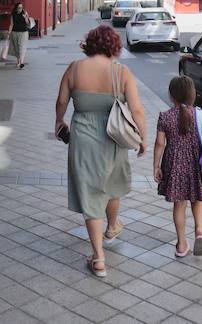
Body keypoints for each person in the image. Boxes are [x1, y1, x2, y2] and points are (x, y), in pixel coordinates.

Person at [54, 24, 148, 278]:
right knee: (111, 184)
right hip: (113, 138)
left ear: (90, 44)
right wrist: (143, 138)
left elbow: (61, 101)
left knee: (90, 193)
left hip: (83, 139)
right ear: (113, 46)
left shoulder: (74, 68)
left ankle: (98, 258)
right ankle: (112, 226)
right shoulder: (122, 73)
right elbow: (137, 110)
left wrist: (59, 121)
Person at [153, 75, 202, 257]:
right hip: (195, 164)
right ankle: (199, 230)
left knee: (179, 204)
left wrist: (156, 166)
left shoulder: (165, 116)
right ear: (192, 94)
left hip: (173, 165)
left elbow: (159, 143)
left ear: (172, 96)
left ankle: (181, 245)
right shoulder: (199, 114)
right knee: (197, 198)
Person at [9, 2, 34, 69]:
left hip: (24, 33)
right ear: (16, 8)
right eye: (19, 8)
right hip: (14, 32)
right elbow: (11, 24)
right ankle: (18, 62)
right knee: (17, 48)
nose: (20, 9)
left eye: (21, 7)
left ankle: (21, 63)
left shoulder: (24, 13)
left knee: (21, 47)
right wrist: (9, 33)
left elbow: (28, 23)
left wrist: (25, 17)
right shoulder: (13, 14)